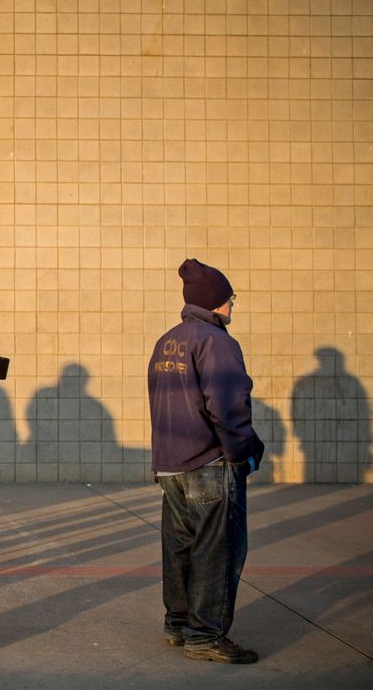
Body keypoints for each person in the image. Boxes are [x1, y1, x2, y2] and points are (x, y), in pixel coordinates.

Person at [149, 259, 265, 664]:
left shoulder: (168, 340)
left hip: (171, 464)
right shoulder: (217, 343)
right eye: (230, 299)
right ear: (217, 302)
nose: (233, 306)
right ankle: (205, 634)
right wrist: (241, 451)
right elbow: (228, 407)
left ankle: (179, 624)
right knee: (217, 550)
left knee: (180, 546)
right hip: (207, 462)